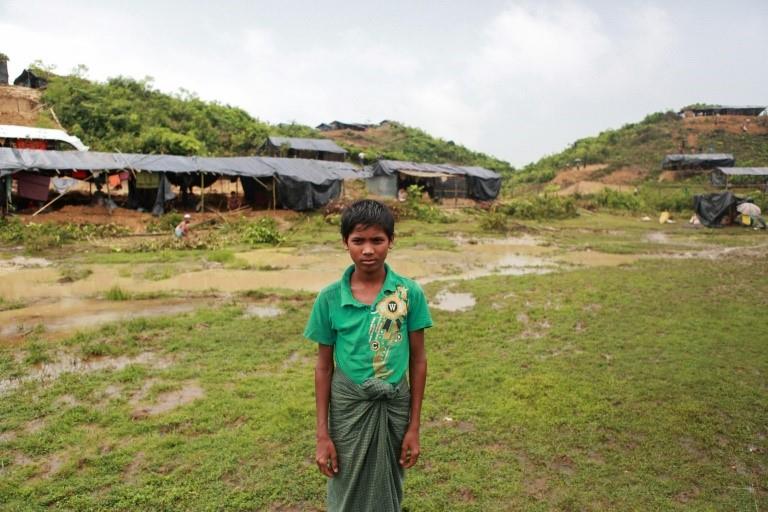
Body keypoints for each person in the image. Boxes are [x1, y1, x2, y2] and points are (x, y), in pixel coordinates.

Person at [304, 199, 433, 511]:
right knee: (344, 478)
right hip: (348, 408)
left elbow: (418, 360)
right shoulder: (330, 298)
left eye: (377, 240)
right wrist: (322, 434)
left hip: (394, 406)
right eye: (358, 241)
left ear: (391, 241)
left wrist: (414, 427)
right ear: (345, 243)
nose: (368, 250)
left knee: (390, 478)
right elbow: (323, 367)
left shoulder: (407, 293)